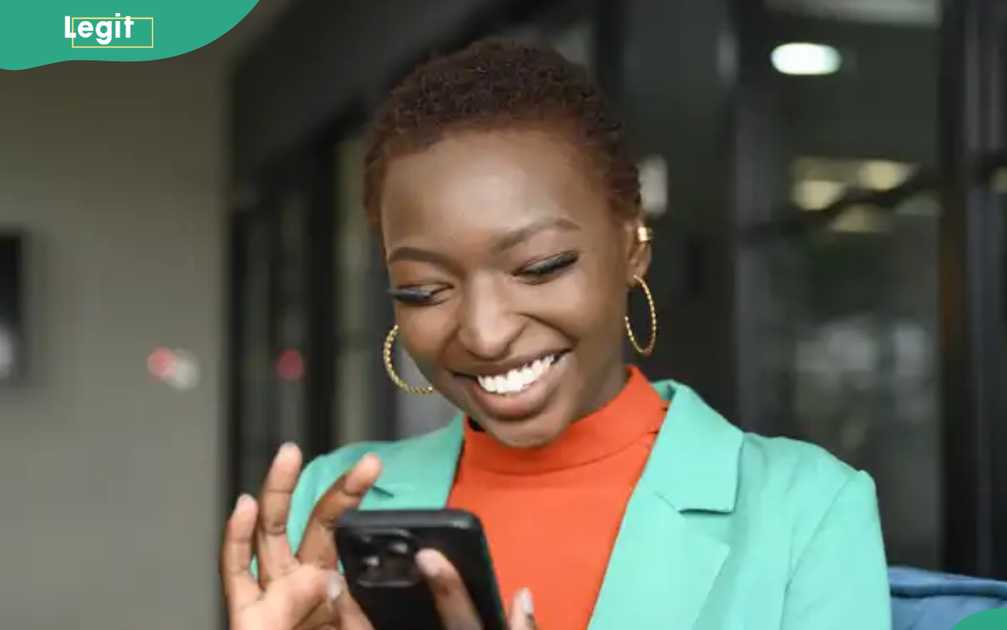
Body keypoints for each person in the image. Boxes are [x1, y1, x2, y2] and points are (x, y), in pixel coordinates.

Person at [219, 39, 891, 630]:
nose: (484, 334)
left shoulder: (807, 510)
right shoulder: (332, 504)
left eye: (539, 267)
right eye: (424, 290)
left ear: (633, 246)